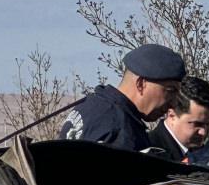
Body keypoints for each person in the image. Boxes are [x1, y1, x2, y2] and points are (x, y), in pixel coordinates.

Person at [57, 43, 185, 150]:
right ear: (141, 84)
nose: (173, 103)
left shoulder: (89, 107)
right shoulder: (122, 131)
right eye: (170, 90)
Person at [148, 76, 209, 160]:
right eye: (197, 124)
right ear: (172, 115)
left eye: (208, 124)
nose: (203, 132)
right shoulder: (148, 153)